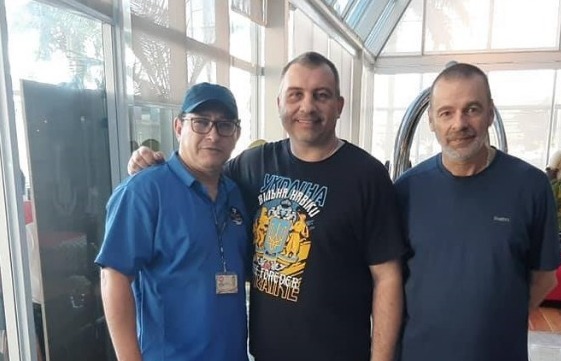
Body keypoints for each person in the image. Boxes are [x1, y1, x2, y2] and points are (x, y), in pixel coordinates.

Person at [128, 52, 406, 361]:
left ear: (339, 106)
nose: (307, 106)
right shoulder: (251, 166)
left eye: (321, 95)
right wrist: (153, 162)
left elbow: (387, 277)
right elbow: (199, 169)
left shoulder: (367, 176)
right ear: (279, 104)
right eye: (295, 95)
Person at [394, 63, 561, 361]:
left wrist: (496, 321)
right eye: (446, 112)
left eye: (471, 109)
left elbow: (545, 278)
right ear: (432, 120)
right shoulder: (406, 191)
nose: (459, 123)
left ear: (490, 113)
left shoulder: (531, 186)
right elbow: (391, 281)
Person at [95, 83, 250, 361]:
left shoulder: (235, 193)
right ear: (179, 127)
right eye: (201, 122)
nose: (213, 135)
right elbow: (114, 276)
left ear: (236, 134)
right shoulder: (144, 191)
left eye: (224, 125)